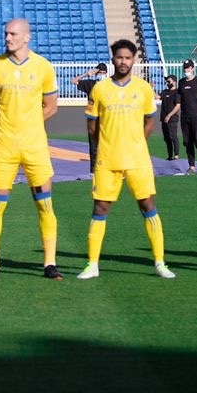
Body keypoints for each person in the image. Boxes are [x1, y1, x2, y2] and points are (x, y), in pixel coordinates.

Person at [77, 40, 175, 280]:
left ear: (134, 60)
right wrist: (108, 144)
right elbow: (92, 126)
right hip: (108, 160)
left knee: (148, 206)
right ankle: (92, 264)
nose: (123, 62)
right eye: (119, 57)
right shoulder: (100, 90)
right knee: (100, 208)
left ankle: (160, 263)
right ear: (113, 60)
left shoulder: (142, 88)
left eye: (127, 58)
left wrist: (137, 141)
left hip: (138, 159)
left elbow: (150, 119)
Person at [0, 18, 63, 280]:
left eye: (13, 34)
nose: (8, 38)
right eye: (6, 33)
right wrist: (4, 123)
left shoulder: (43, 67)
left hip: (35, 148)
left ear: (27, 37)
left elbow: (51, 106)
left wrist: (31, 123)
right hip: (4, 148)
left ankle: (50, 264)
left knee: (45, 205)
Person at [73, 62, 108, 172]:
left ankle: (108, 167)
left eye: (103, 73)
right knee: (93, 145)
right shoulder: (90, 83)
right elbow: (73, 81)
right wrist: (86, 74)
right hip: (93, 118)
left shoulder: (109, 85)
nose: (101, 74)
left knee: (107, 144)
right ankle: (93, 170)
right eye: (100, 72)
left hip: (106, 118)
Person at [158, 74, 181, 160]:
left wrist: (169, 115)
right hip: (164, 118)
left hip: (172, 119)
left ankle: (176, 155)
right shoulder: (165, 92)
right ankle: (170, 155)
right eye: (166, 81)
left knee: (173, 137)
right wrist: (150, 88)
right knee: (167, 138)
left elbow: (178, 106)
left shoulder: (177, 92)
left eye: (169, 81)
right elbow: (157, 97)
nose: (167, 83)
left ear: (174, 82)